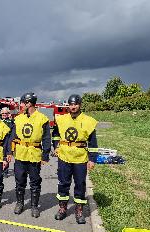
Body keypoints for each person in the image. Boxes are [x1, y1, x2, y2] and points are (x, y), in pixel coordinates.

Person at [52, 94, 98, 224]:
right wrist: (56, 146)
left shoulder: (88, 121)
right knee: (63, 183)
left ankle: (79, 211)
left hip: (80, 158)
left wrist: (92, 159)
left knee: (80, 185)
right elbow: (55, 134)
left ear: (80, 105)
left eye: (75, 104)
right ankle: (62, 208)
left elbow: (93, 142)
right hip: (64, 156)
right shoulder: (61, 119)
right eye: (71, 104)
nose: (73, 107)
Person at [11, 93, 51, 218]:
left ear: (28, 103)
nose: (21, 105)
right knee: (20, 180)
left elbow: (46, 138)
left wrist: (45, 155)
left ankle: (34, 206)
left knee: (34, 182)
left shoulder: (42, 119)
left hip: (34, 155)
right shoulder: (18, 119)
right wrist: (8, 152)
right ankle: (20, 203)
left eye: (22, 103)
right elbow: (12, 137)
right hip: (20, 154)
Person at [0, 107, 14, 178]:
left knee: (6, 154)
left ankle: (5, 171)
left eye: (6, 113)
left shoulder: (11, 122)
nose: (4, 114)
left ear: (8, 114)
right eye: (3, 113)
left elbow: (13, 132)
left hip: (7, 140)